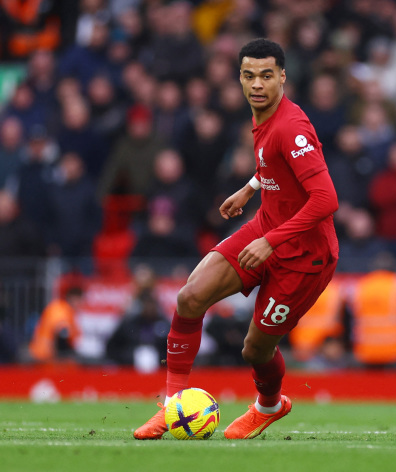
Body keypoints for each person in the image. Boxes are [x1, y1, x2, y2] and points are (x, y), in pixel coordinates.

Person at [133, 38, 339, 440]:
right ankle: (172, 406)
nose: (257, 84)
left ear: (283, 77)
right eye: (248, 76)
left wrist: (271, 241)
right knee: (190, 298)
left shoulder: (290, 127)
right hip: (267, 225)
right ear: (239, 78)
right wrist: (250, 187)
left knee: (255, 351)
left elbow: (327, 199)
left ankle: (269, 405)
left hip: (305, 256)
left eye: (266, 76)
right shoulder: (263, 116)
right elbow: (277, 166)